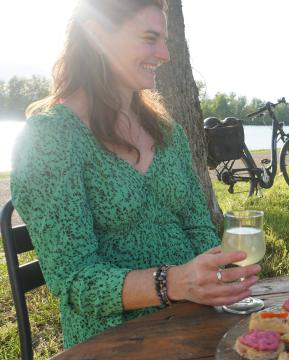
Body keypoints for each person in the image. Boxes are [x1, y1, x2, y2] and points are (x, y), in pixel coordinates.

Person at [10, 0, 261, 348]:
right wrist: (172, 283)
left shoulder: (167, 132)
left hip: (195, 320)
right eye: (149, 38)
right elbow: (76, 282)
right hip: (114, 340)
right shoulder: (50, 138)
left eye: (165, 42)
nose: (164, 54)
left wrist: (219, 277)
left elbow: (197, 226)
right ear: (97, 34)